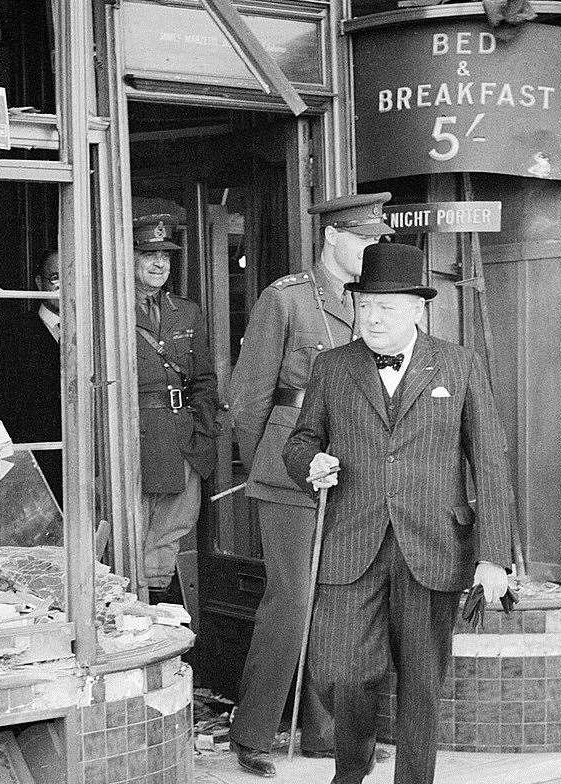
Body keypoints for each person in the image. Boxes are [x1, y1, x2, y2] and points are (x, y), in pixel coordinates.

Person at [283, 242, 514, 784]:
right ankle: (352, 768)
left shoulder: (457, 365)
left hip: (433, 546)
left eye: (388, 305)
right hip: (350, 541)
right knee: (341, 671)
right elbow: (300, 441)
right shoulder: (332, 367)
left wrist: (493, 557)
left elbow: (490, 460)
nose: (374, 315)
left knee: (421, 682)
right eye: (366, 304)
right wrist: (309, 462)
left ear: (418, 309)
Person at [228, 192, 394, 776]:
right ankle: (252, 733)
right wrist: (265, 466)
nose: (374, 249)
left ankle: (324, 732)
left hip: (352, 472)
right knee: (293, 603)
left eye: (378, 239)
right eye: (364, 239)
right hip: (288, 471)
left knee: (339, 603)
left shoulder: (375, 303)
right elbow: (247, 397)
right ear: (333, 239)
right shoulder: (289, 298)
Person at [132, 196, 219, 603]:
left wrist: (202, 432)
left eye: (164, 255)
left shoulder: (185, 312)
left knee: (171, 533)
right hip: (135, 438)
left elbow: (204, 379)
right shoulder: (108, 309)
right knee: (130, 532)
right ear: (129, 256)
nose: (159, 263)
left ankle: (156, 602)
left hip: (181, 436)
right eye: (148, 254)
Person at [0, 249, 63, 500]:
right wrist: (9, 459)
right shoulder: (9, 334)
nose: (65, 285)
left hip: (88, 460)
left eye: (72, 275)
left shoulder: (96, 330)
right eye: (55, 277)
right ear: (39, 283)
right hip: (32, 460)